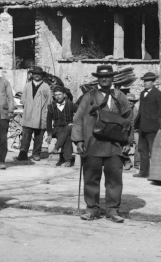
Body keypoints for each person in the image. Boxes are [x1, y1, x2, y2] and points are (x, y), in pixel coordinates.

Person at [72, 65, 132, 223]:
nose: (104, 79)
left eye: (107, 76)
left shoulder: (120, 97)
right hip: (92, 144)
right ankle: (92, 209)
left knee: (114, 179)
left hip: (115, 145)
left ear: (113, 78)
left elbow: (129, 121)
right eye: (101, 76)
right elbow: (78, 119)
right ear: (97, 78)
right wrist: (78, 140)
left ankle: (112, 211)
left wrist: (128, 142)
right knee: (91, 178)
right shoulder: (89, 97)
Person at [13, 66, 51, 162]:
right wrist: (30, 107)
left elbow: (49, 102)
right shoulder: (27, 85)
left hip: (41, 115)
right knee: (26, 135)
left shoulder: (46, 87)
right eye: (35, 74)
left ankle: (36, 154)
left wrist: (43, 111)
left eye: (38, 74)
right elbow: (23, 100)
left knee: (39, 136)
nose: (36, 75)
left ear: (42, 75)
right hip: (28, 114)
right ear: (32, 75)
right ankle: (23, 153)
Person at [133, 72, 161, 178]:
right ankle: (144, 171)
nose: (145, 83)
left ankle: (156, 173)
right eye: (144, 81)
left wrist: (160, 124)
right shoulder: (142, 94)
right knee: (142, 149)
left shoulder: (159, 94)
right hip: (142, 126)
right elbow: (141, 110)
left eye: (148, 81)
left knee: (154, 150)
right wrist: (136, 123)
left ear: (153, 82)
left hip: (153, 127)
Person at [46, 85, 77, 167]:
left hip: (70, 127)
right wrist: (49, 133)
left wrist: (74, 122)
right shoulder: (51, 107)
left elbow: (81, 114)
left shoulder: (71, 105)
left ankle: (57, 147)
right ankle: (68, 160)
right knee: (67, 137)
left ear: (64, 95)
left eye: (59, 94)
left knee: (68, 128)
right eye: (55, 95)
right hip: (57, 129)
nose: (57, 97)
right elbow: (48, 121)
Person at [120, 93, 139, 170]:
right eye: (128, 101)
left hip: (135, 131)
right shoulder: (122, 110)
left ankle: (137, 163)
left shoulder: (137, 111)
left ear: (134, 102)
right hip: (125, 131)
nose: (130, 102)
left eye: (132, 101)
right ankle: (127, 161)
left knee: (139, 142)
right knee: (121, 143)